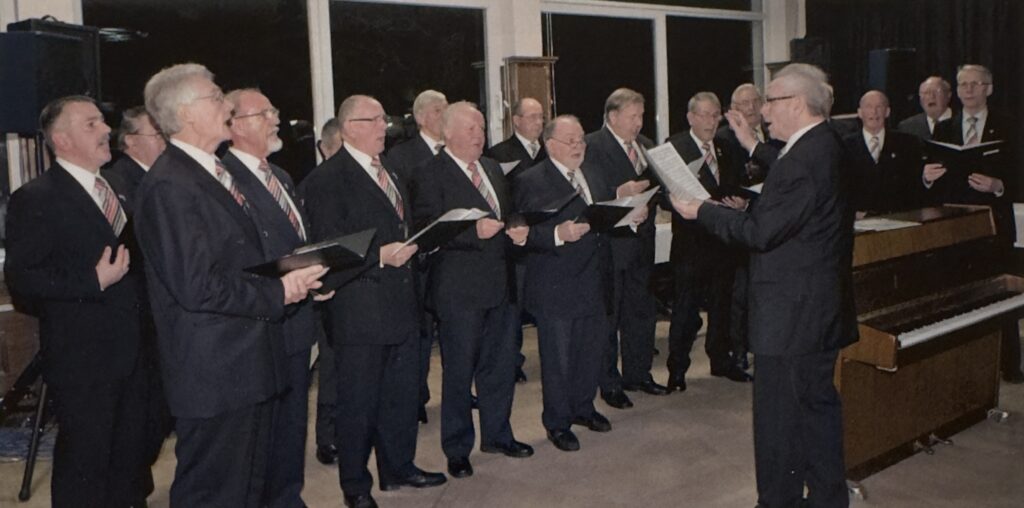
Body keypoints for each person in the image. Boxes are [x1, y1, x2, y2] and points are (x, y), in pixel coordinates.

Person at [134, 63, 327, 508]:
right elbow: (198, 286)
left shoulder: (208, 175)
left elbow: (239, 261)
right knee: (213, 493)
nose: (228, 105)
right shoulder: (171, 185)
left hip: (243, 365)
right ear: (186, 114)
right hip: (215, 375)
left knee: (245, 488)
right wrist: (280, 292)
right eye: (217, 98)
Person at [672, 63, 858, 507]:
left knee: (778, 423)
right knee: (816, 411)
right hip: (819, 311)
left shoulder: (805, 159)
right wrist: (752, 144)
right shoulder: (828, 142)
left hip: (790, 317)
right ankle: (829, 498)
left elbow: (759, 233)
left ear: (795, 104)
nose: (761, 111)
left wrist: (703, 209)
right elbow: (791, 164)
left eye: (769, 101)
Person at [5, 95, 155, 508]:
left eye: (102, 123)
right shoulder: (36, 197)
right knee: (85, 467)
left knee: (130, 463)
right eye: (91, 124)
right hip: (84, 359)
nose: (106, 130)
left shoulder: (116, 188)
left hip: (134, 352)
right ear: (62, 139)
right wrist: (92, 280)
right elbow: (22, 279)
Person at [302, 94, 446, 508]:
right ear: (349, 127)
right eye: (375, 119)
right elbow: (327, 248)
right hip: (359, 310)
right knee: (358, 403)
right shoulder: (328, 180)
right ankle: (355, 486)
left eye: (385, 118)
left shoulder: (390, 171)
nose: (385, 126)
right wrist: (378, 256)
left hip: (400, 303)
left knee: (400, 397)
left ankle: (398, 467)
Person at [412, 101, 534, 478]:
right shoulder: (429, 173)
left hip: (501, 284)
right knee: (459, 372)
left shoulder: (494, 168)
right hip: (459, 290)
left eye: (481, 128)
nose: (479, 135)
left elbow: (506, 212)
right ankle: (457, 448)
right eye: (470, 129)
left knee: (499, 367)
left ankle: (498, 434)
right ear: (447, 133)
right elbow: (425, 230)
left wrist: (518, 229)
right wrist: (469, 232)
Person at [222, 88, 319, 508]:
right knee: (261, 437)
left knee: (292, 426)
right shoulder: (225, 179)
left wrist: (321, 272)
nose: (276, 119)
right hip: (260, 326)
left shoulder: (280, 176)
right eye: (265, 112)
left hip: (296, 321)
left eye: (274, 109)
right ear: (236, 125)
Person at [514, 115, 614, 451]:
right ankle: (557, 423)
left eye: (581, 140)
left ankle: (583, 408)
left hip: (594, 277)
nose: (578, 147)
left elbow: (604, 216)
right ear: (549, 144)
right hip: (555, 283)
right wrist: (558, 233)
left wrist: (627, 216)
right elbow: (521, 233)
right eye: (570, 141)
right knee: (557, 359)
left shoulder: (594, 173)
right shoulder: (531, 180)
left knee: (590, 350)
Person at [927, 64, 1023, 383]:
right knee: (958, 299)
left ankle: (1009, 366)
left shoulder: (1009, 126)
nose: (968, 90)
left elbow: (1019, 175)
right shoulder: (943, 129)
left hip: (995, 225)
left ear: (989, 88)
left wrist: (998, 184)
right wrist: (925, 178)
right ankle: (962, 369)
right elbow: (932, 183)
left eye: (975, 84)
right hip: (955, 229)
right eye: (963, 85)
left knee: (999, 295)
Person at [584, 88, 668, 409]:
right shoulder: (592, 146)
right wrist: (620, 191)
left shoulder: (647, 147)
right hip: (611, 246)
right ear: (613, 116)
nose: (638, 123)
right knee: (610, 316)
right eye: (633, 117)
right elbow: (587, 191)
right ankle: (609, 383)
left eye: (642, 116)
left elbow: (657, 189)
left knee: (641, 312)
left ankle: (638, 373)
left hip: (642, 245)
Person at [663, 92, 753, 392]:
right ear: (690, 117)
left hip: (724, 243)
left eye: (715, 115)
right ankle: (677, 369)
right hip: (691, 245)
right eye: (703, 115)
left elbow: (736, 186)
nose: (710, 121)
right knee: (686, 310)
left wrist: (742, 203)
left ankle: (720, 360)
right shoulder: (674, 147)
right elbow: (664, 194)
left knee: (722, 306)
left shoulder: (727, 147)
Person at [386, 89, 449, 422]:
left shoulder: (453, 151)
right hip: (418, 257)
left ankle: (457, 392)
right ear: (423, 116)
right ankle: (416, 398)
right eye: (441, 110)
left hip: (452, 257)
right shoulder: (402, 156)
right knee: (421, 333)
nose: (446, 115)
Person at [487, 96, 547, 383]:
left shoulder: (550, 150)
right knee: (513, 308)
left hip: (544, 237)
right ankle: (511, 361)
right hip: (515, 240)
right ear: (517, 121)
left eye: (541, 117)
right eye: (532, 117)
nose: (538, 122)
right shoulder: (499, 154)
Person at [843, 90, 925, 214]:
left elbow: (914, 186)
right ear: (859, 113)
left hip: (898, 220)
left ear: (887, 112)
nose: (874, 112)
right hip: (858, 222)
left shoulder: (908, 143)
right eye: (868, 106)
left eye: (879, 107)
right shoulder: (844, 145)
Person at [108, 106, 166, 204]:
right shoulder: (120, 182)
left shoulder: (165, 174)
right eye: (157, 135)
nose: (165, 141)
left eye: (166, 135)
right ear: (131, 141)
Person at [897, 76, 953, 141]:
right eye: (926, 93)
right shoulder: (907, 127)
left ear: (948, 94)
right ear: (920, 99)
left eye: (936, 92)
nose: (931, 96)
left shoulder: (962, 122)